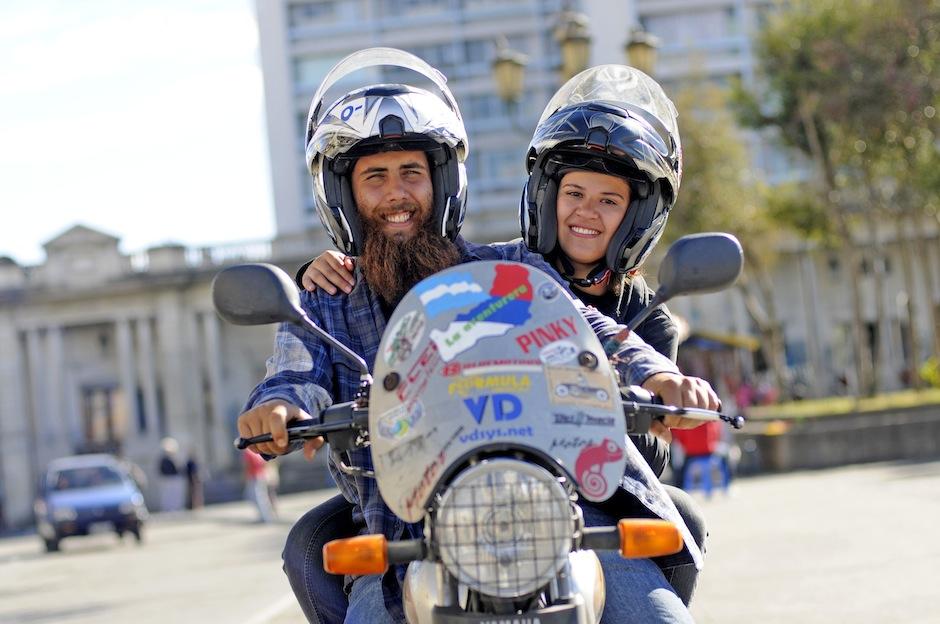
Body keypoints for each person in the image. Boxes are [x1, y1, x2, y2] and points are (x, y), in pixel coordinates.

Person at [238, 49, 717, 624]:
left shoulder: (511, 271)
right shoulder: (324, 301)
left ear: (441, 181)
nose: (396, 193)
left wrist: (658, 375)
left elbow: (594, 330)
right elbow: (295, 374)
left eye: (411, 172)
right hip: (404, 540)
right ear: (345, 194)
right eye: (375, 177)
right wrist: (279, 408)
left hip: (560, 520)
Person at [243, 449, 276, 523]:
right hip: (261, 476)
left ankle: (265, 517)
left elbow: (247, 466)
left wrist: (245, 477)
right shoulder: (258, 452)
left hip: (254, 477)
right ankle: (266, 516)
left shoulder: (248, 453)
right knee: (262, 498)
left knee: (258, 498)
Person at [157, 437, 185, 512]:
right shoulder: (165, 459)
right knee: (168, 495)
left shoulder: (172, 459)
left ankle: (175, 508)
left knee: (174, 495)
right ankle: (169, 508)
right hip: (168, 479)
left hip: (173, 478)